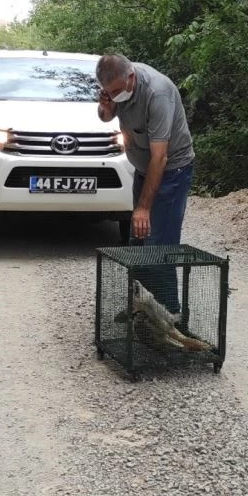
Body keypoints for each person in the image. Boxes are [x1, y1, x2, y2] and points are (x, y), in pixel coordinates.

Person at [95, 53, 195, 315]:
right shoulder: (116, 89)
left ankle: (169, 315)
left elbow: (160, 157)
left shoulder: (157, 93)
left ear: (131, 78)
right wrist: (106, 107)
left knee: (158, 246)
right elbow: (106, 117)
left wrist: (143, 207)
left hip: (172, 171)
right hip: (143, 169)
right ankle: (140, 308)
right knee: (138, 241)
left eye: (116, 91)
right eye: (108, 92)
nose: (113, 95)